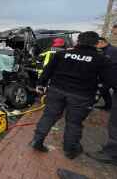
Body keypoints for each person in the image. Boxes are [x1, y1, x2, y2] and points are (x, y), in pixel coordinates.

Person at [30, 31, 114, 159]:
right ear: (96, 43)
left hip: (56, 90)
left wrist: (41, 84)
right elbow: (109, 80)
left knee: (49, 116)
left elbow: (48, 70)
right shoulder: (101, 60)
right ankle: (70, 150)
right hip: (81, 96)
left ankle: (37, 140)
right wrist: (98, 94)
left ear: (78, 41)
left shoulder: (62, 54)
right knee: (73, 123)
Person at [95, 37, 117, 110]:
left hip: (111, 76)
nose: (95, 45)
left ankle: (87, 105)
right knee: (105, 92)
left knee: (100, 91)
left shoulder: (111, 50)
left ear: (102, 42)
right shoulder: (105, 49)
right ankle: (108, 106)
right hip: (107, 76)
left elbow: (109, 64)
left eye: (96, 43)